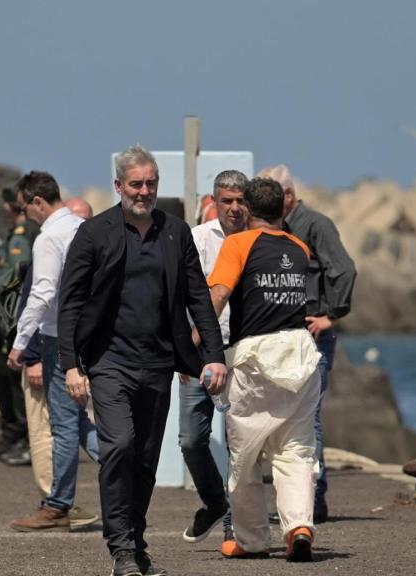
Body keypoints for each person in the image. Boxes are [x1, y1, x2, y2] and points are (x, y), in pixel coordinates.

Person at [58, 145, 227, 576]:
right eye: (136, 184)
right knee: (119, 446)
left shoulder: (175, 232)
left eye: (151, 183)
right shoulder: (94, 233)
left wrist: (213, 357)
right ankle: (122, 550)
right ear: (119, 186)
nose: (145, 191)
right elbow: (71, 303)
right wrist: (72, 366)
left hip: (159, 363)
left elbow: (198, 300)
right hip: (108, 361)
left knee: (146, 461)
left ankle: (135, 543)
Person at [206, 177, 321, 562]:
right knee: (296, 450)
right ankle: (299, 527)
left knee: (246, 454)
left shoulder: (237, 243)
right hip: (300, 353)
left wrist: (198, 344)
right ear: (284, 209)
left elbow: (219, 294)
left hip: (255, 355)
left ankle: (251, 540)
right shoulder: (300, 248)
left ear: (250, 211)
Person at [260, 164, 356, 524]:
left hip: (311, 335)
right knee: (283, 418)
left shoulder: (315, 225)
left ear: (287, 195)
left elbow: (344, 269)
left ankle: (314, 499)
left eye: (270, 194)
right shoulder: (274, 229)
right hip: (280, 336)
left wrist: (332, 315)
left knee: (309, 416)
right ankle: (296, 496)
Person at [7, 171, 100, 533]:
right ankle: (125, 470)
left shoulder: (49, 238)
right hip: (90, 335)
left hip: (57, 337)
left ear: (38, 202)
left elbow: (43, 293)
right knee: (78, 422)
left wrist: (20, 344)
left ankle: (58, 504)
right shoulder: (86, 228)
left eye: (23, 207)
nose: (23, 215)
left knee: (62, 425)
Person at [178, 170, 248, 544]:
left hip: (245, 353)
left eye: (240, 201)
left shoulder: (258, 239)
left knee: (242, 442)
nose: (234, 208)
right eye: (227, 201)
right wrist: (182, 350)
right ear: (214, 202)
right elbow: (178, 296)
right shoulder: (198, 239)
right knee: (190, 439)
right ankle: (214, 501)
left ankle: (236, 524)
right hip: (201, 351)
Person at [0, 188, 39, 462]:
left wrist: (4, 308)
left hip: (12, 312)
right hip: (5, 311)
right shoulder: (18, 232)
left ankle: (24, 437)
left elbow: (17, 270)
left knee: (14, 378)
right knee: (0, 375)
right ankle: (12, 432)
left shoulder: (22, 232)